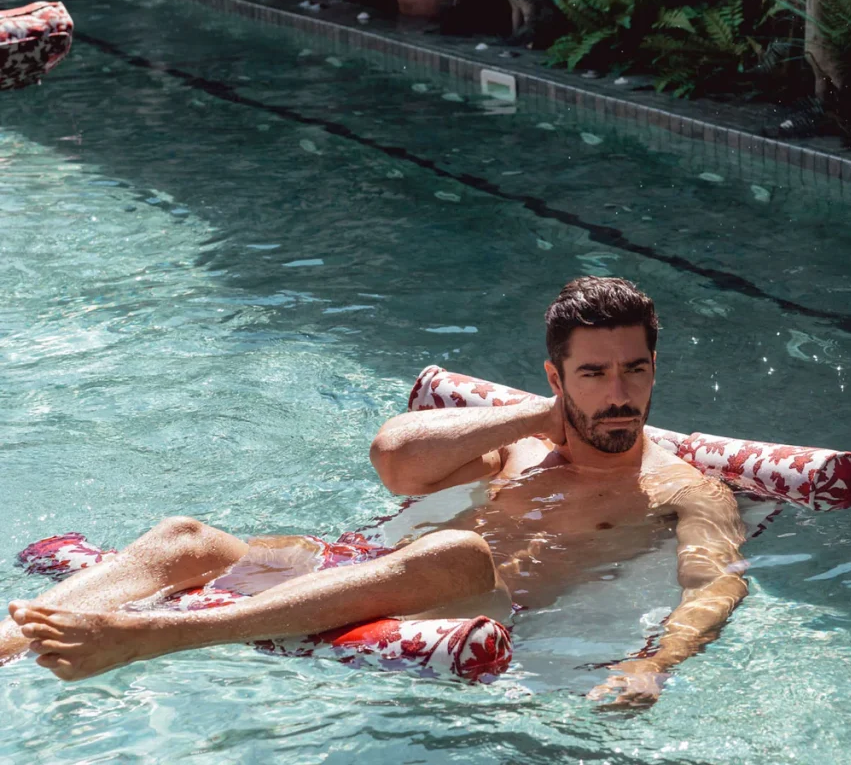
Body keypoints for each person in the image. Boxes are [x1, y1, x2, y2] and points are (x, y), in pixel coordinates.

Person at [2, 277, 747, 707]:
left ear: (654, 366)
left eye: (635, 370)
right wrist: (540, 417)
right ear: (556, 378)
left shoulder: (682, 489)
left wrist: (653, 663)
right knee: (183, 538)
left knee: (457, 549)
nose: (621, 394)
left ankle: (151, 638)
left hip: (468, 593)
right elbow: (394, 459)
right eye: (594, 374)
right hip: (358, 569)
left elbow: (713, 587)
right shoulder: (518, 442)